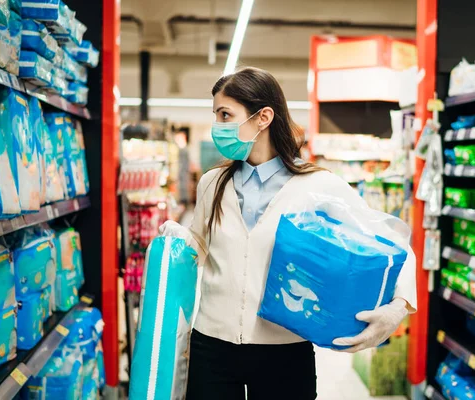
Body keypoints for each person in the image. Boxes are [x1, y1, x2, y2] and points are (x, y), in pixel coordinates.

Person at [159, 67, 417, 400]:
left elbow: (392, 245)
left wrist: (398, 307)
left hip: (284, 348)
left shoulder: (320, 186)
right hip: (212, 346)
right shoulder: (212, 183)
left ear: (263, 117)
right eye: (216, 116)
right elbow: (203, 246)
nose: (217, 127)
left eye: (226, 115)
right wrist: (181, 238)